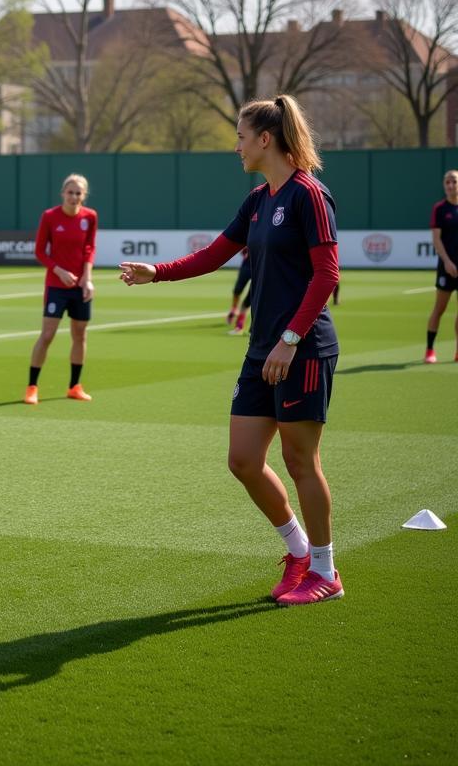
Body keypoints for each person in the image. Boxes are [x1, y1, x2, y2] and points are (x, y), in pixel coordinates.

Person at [120, 95, 343, 606]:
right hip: (262, 348)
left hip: (302, 349)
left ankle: (326, 572)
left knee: (300, 460)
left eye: (241, 136)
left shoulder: (309, 194)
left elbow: (327, 274)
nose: (235, 146)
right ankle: (299, 551)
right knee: (243, 460)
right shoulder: (259, 198)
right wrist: (158, 272)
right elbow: (215, 254)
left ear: (266, 139)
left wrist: (290, 340)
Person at [24, 174, 97, 405]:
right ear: (63, 193)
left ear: (83, 195)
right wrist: (59, 271)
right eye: (70, 192)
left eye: (78, 193)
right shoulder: (49, 216)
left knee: (80, 335)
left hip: (80, 287)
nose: (74, 197)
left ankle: (75, 386)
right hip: (56, 286)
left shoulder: (90, 217)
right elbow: (39, 252)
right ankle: (32, 387)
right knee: (47, 336)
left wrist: (87, 279)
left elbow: (89, 248)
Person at [424, 168, 458, 363]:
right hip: (446, 267)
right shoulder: (440, 208)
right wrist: (447, 262)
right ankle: (429, 349)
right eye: (448, 182)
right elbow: (437, 240)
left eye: (454, 181)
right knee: (440, 308)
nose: (451, 185)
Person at [226, 248, 252, 335]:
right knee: (237, 289)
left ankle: (239, 326)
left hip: (261, 268)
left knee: (250, 298)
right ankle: (233, 309)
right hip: (247, 264)